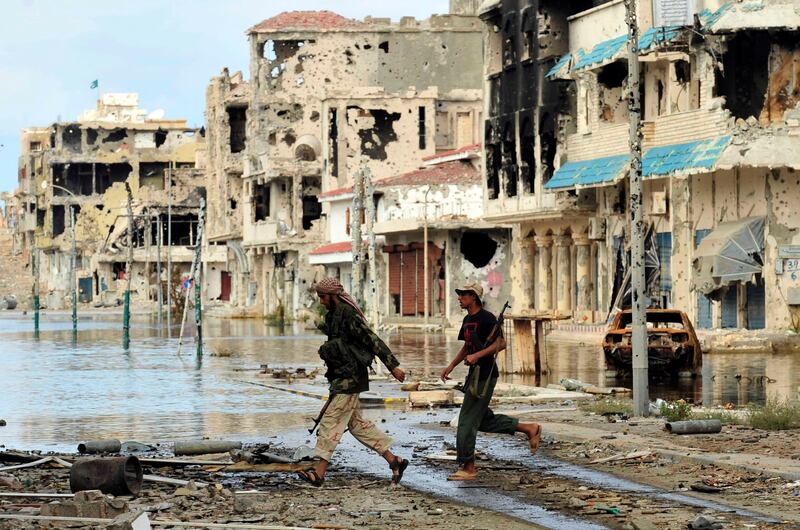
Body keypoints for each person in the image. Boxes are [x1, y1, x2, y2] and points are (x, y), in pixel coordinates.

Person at [297, 277, 410, 487]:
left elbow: (372, 339)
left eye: (322, 297)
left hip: (351, 378)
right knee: (357, 425)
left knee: (330, 421)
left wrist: (392, 365)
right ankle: (394, 461)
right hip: (341, 376)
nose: (320, 301)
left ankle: (319, 473)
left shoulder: (348, 315)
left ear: (333, 296)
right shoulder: (333, 316)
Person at [440, 282, 542, 481]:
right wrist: (451, 366)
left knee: (466, 421)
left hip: (485, 375)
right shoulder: (467, 320)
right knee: (483, 420)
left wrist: (478, 355)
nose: (459, 298)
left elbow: (501, 343)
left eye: (463, 295)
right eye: (459, 295)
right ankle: (529, 428)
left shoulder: (487, 318)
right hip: (474, 375)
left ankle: (468, 467)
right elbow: (466, 348)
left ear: (473, 297)